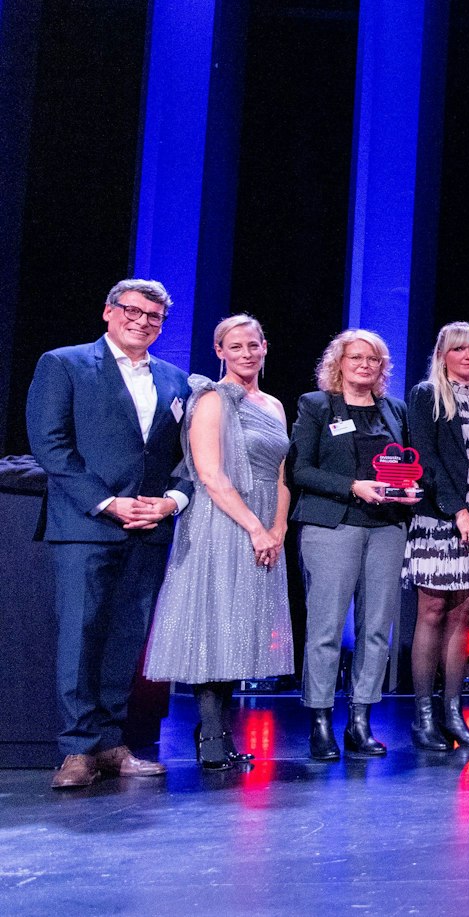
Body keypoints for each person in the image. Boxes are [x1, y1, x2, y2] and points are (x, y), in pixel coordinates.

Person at [27, 279, 192, 789]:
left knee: (126, 641)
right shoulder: (64, 363)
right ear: (108, 312)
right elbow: (51, 445)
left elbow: (185, 457)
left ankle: (112, 743)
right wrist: (107, 502)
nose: (143, 322)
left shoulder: (175, 380)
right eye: (133, 311)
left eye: (154, 317)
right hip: (87, 526)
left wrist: (171, 501)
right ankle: (78, 749)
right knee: (81, 637)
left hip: (148, 529)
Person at [143, 315, 293, 770]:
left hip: (265, 521)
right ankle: (209, 730)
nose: (246, 353)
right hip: (222, 519)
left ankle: (222, 728)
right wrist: (254, 527)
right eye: (236, 346)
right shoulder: (210, 399)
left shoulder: (273, 405)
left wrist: (278, 528)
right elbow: (208, 474)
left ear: (265, 347)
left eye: (253, 344)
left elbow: (282, 475)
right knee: (215, 619)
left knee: (241, 624)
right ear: (220, 351)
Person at [289, 328, 418, 762]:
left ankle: (360, 720)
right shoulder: (317, 405)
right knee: (325, 629)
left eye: (374, 359)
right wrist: (353, 486)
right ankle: (321, 722)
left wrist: (409, 490)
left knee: (377, 630)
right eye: (356, 357)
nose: (365, 365)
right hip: (333, 525)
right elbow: (300, 470)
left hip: (387, 527)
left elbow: (405, 465)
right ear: (338, 362)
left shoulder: (395, 410)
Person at [403, 322, 469, 751]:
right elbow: (426, 459)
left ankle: (452, 711)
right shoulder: (426, 395)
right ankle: (423, 716)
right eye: (458, 349)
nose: (467, 356)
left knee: (463, 616)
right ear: (443, 355)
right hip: (441, 518)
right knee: (432, 612)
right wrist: (459, 513)